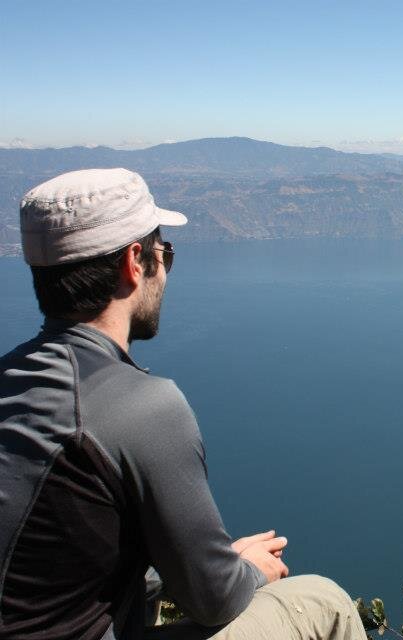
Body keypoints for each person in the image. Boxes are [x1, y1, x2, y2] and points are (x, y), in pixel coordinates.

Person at [0, 168, 366, 640]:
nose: (165, 271)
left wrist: (210, 565)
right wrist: (246, 568)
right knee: (322, 602)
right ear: (134, 263)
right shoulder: (139, 405)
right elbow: (213, 602)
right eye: (164, 253)